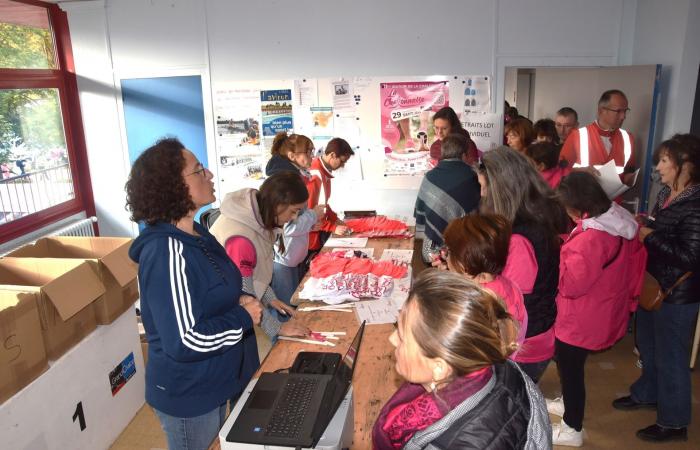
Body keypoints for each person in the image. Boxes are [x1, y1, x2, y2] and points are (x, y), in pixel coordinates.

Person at [126, 138, 263, 450]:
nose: (210, 175)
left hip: (217, 378)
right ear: (174, 186)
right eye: (199, 171)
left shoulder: (198, 233)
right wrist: (243, 316)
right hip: (189, 392)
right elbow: (185, 340)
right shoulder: (166, 251)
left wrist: (237, 298)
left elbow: (212, 290)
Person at [372, 270, 551, 449]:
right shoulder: (497, 365)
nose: (392, 339)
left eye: (402, 337)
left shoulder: (447, 444)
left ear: (439, 368)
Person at [547, 172, 646, 447]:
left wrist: (558, 259)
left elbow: (570, 286)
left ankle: (572, 427)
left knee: (571, 370)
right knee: (573, 367)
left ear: (579, 207)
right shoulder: (614, 218)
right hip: (599, 308)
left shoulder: (590, 240)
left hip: (580, 317)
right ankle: (567, 403)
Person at [613, 133, 700, 443]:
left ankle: (674, 422)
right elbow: (666, 233)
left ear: (685, 164)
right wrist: (645, 223)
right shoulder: (667, 193)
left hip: (678, 293)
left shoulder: (696, 202)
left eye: (665, 161)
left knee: (671, 357)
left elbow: (690, 256)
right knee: (647, 346)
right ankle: (647, 393)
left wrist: (649, 235)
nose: (659, 167)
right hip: (654, 284)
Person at [478, 146, 569, 383]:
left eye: (484, 187)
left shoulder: (519, 239)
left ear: (501, 191)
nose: (482, 194)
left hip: (524, 342)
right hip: (535, 333)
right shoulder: (537, 218)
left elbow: (511, 303)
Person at [210, 171, 311, 343]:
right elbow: (245, 295)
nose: (293, 218)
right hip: (224, 319)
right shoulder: (241, 239)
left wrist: (270, 299)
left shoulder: (256, 219)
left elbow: (254, 275)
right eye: (294, 211)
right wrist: (278, 328)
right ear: (278, 204)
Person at [441, 214, 528, 351]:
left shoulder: (478, 303)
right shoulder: (503, 284)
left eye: (449, 252)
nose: (445, 256)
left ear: (468, 262)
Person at [264, 132, 325, 305]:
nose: (312, 156)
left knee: (292, 305)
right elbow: (288, 227)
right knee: (286, 309)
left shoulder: (296, 178)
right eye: (308, 152)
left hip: (291, 257)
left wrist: (310, 224)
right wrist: (313, 215)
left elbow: (294, 220)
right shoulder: (286, 183)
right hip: (283, 260)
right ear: (292, 156)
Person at [414, 133, 480, 263]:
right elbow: (478, 217)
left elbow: (420, 213)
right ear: (464, 155)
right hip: (464, 253)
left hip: (432, 253)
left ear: (443, 153)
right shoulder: (473, 177)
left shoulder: (430, 177)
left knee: (429, 250)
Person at [560, 90, 636, 183]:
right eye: (619, 111)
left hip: (614, 197)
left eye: (625, 111)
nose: (623, 116)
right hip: (583, 196)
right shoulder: (577, 136)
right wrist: (579, 172)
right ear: (601, 111)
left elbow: (628, 170)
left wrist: (630, 178)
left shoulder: (628, 138)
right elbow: (560, 171)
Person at [307, 137, 354, 251]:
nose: (342, 165)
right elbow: (309, 212)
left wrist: (334, 218)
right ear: (332, 155)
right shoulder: (315, 175)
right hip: (310, 238)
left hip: (317, 231)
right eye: (342, 161)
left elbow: (323, 205)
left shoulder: (324, 172)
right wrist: (333, 227)